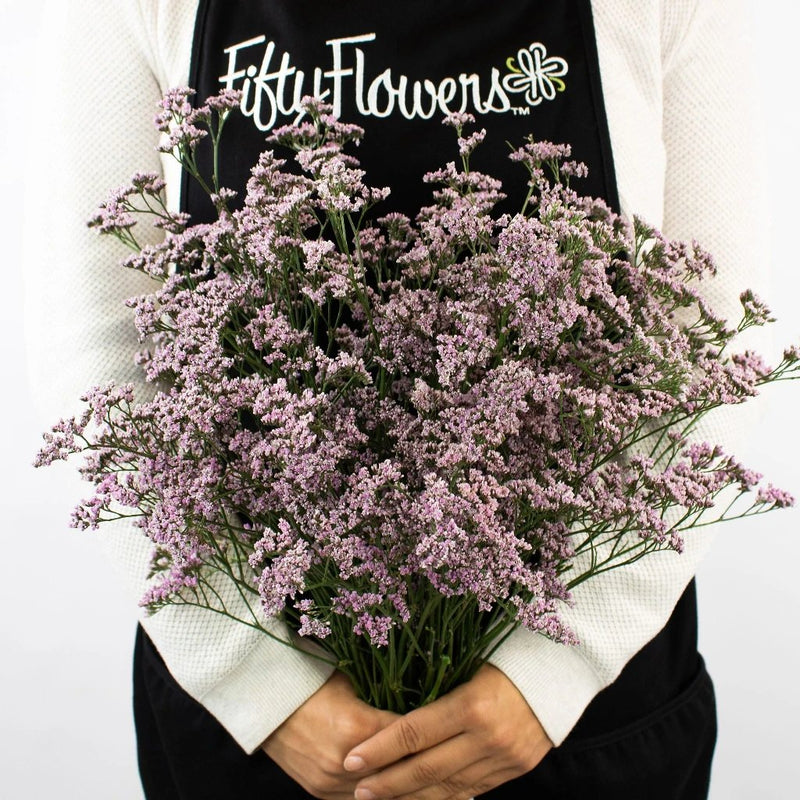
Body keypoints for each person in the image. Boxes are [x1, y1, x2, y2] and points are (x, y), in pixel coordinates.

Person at [25, 1, 766, 797]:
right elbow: (101, 352)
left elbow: (722, 344)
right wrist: (262, 683)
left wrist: (555, 667)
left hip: (579, 702)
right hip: (263, 714)